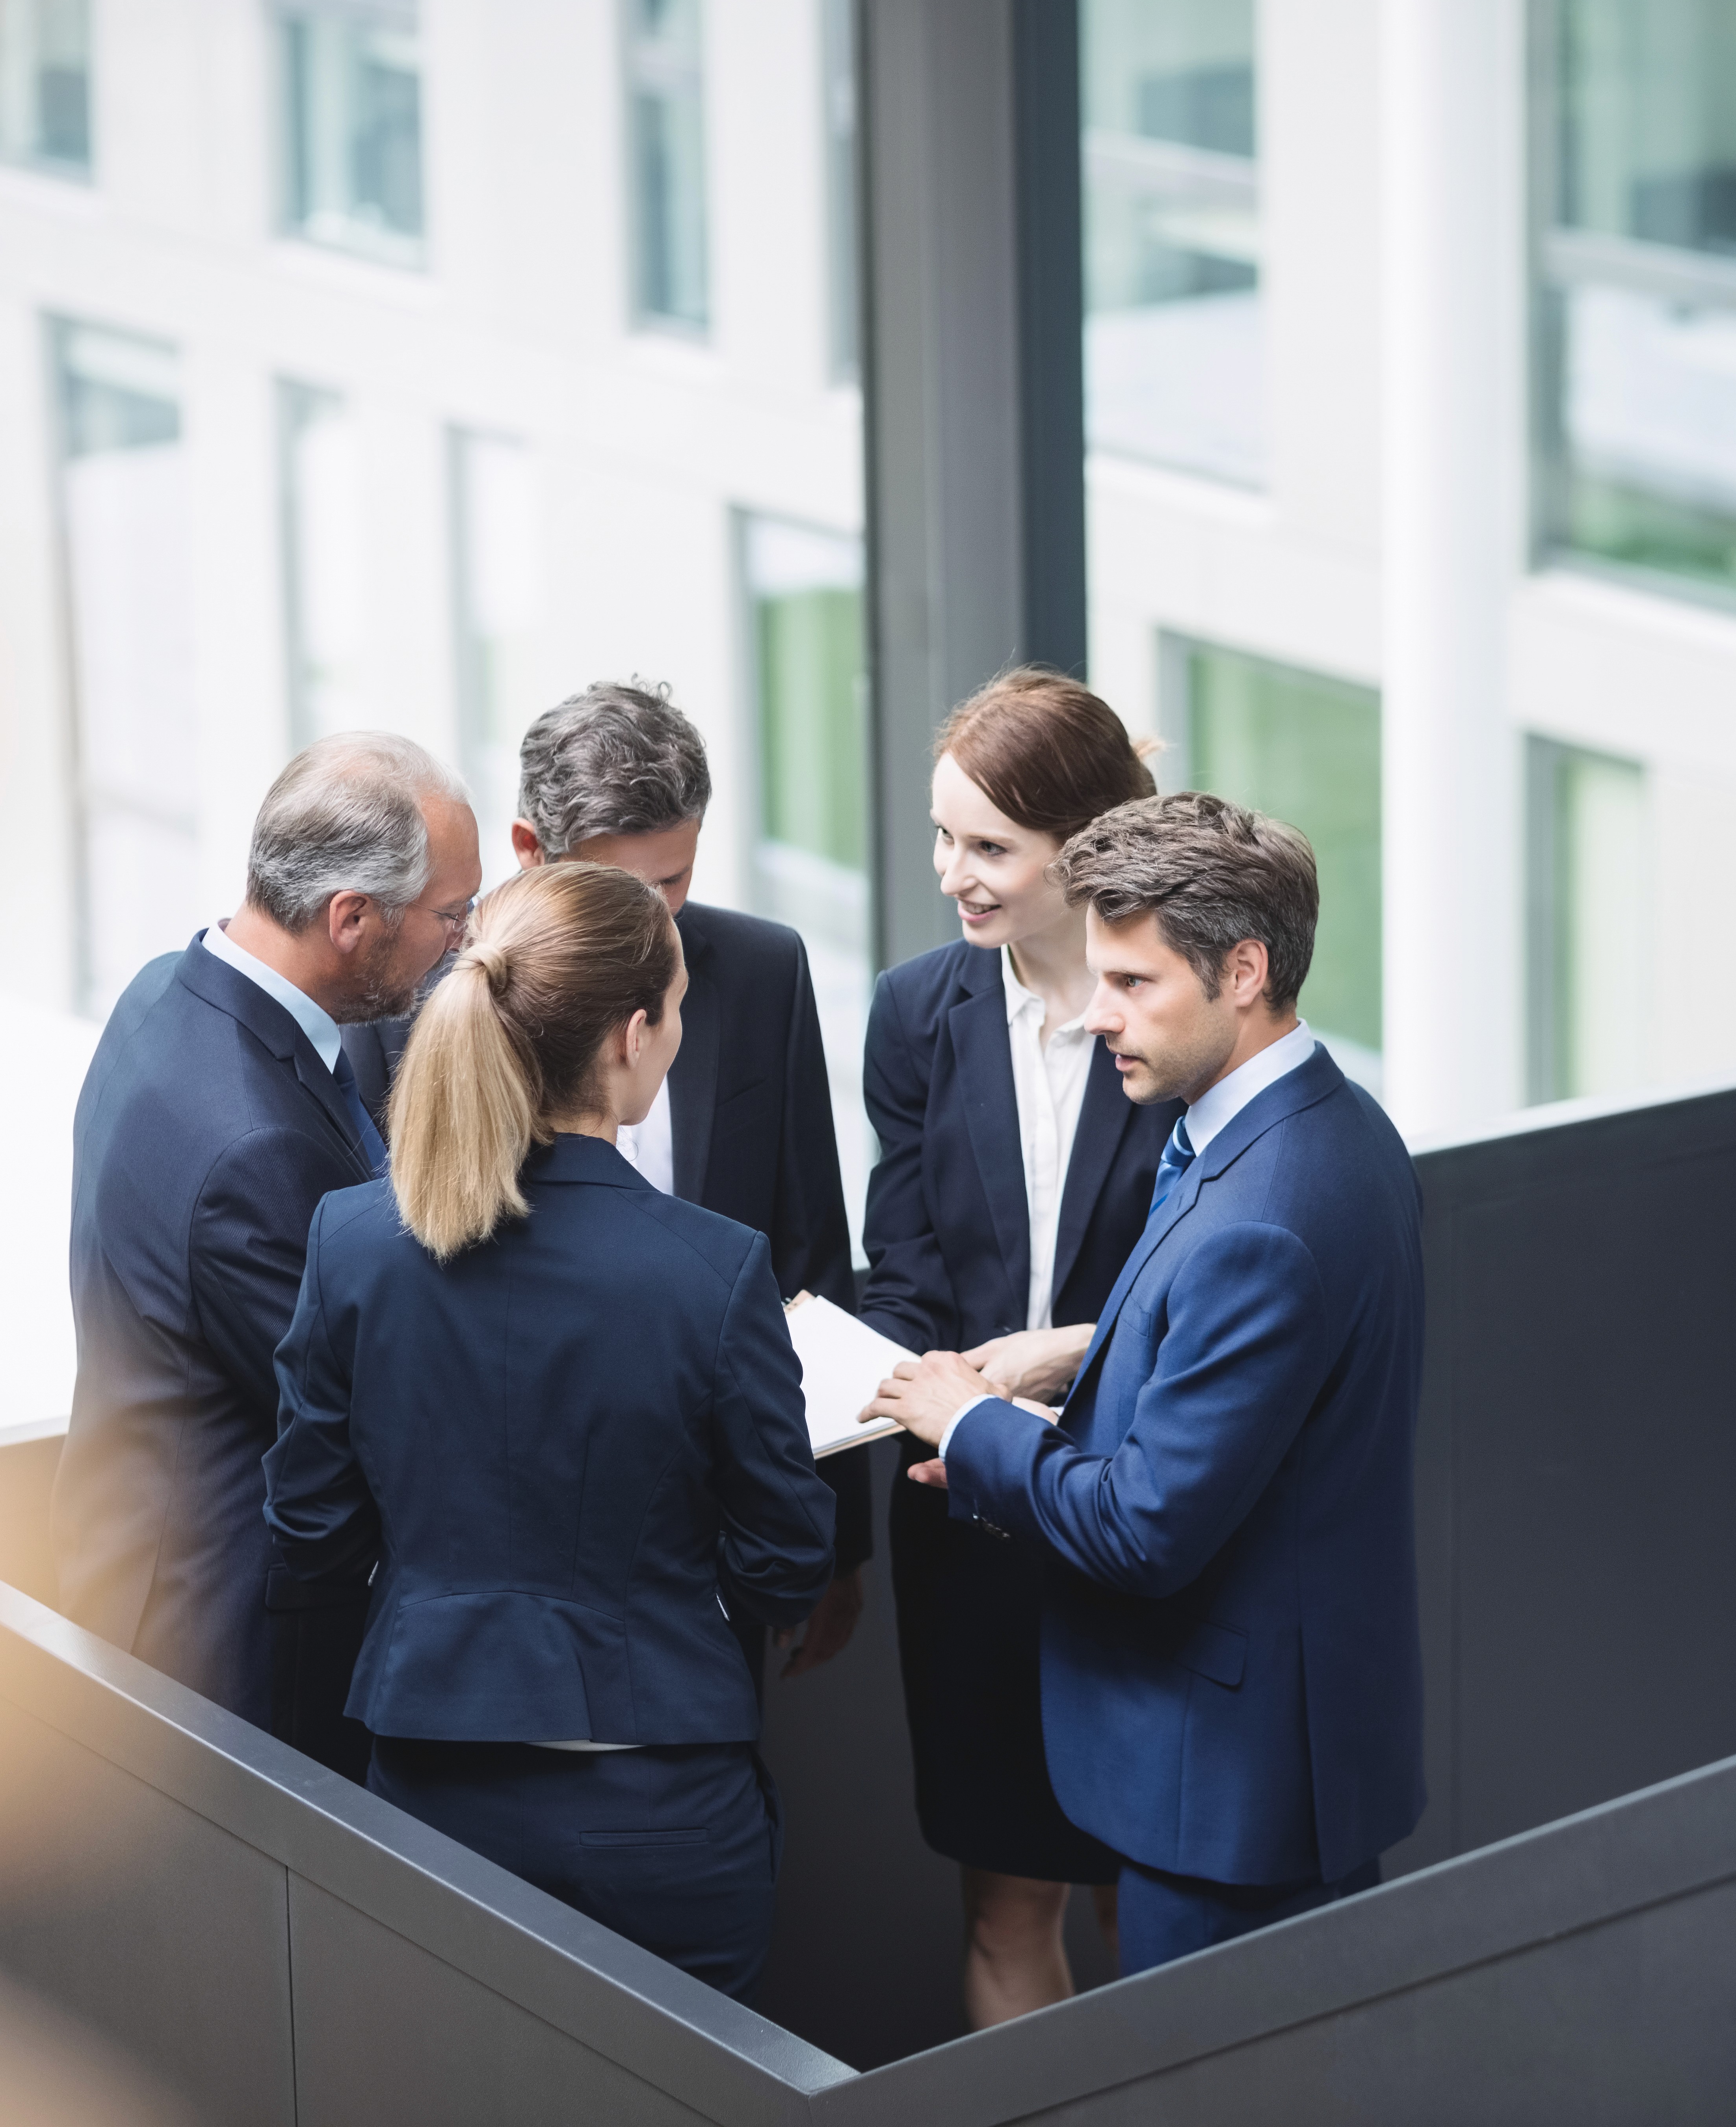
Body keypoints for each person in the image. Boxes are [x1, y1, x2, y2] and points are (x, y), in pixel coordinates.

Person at [865, 792, 1426, 1976]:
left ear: (1244, 971)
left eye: (1133, 983)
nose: (1098, 1015)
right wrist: (1074, 1376)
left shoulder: (1262, 1215)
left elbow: (1142, 1529)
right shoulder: (1327, 1127)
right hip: (1266, 1755)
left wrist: (972, 1426)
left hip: (1230, 1791)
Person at [264, 860, 835, 1999]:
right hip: (663, 1809)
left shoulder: (353, 1243)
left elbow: (309, 1534)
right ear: (632, 1034)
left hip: (432, 1791)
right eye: (677, 1011)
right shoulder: (716, 1272)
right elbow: (787, 1561)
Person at [342, 680, 873, 1672]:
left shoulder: (763, 971)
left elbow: (811, 1248)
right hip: (483, 1584)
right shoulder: (417, 999)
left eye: (674, 880)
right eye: (622, 889)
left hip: (717, 1574)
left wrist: (841, 1548)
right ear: (530, 848)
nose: (654, 926)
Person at [56, 731, 483, 1779]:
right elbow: (375, 1419)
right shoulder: (257, 1151)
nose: (464, 943)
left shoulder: (165, 992)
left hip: (137, 1575)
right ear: (352, 919)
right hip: (225, 1663)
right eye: (451, 915)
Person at [853, 669, 1177, 2024]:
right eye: (942, 837)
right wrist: (881, 1391)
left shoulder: (1174, 1012)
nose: (951, 875)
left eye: (988, 846)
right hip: (968, 1515)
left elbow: (1211, 1292)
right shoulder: (912, 1013)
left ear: (1083, 846)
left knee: (1145, 1899)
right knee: (1005, 1903)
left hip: (1145, 1507)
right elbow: (904, 1271)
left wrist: (1059, 1380)